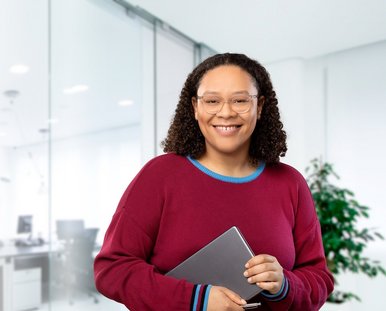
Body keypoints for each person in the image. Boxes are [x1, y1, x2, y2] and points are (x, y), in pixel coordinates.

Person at [94, 53, 334, 310]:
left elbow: (319, 279)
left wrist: (284, 285)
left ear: (260, 106)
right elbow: (112, 269)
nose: (226, 112)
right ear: (195, 108)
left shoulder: (290, 183)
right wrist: (197, 300)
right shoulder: (159, 176)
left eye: (240, 100)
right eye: (212, 101)